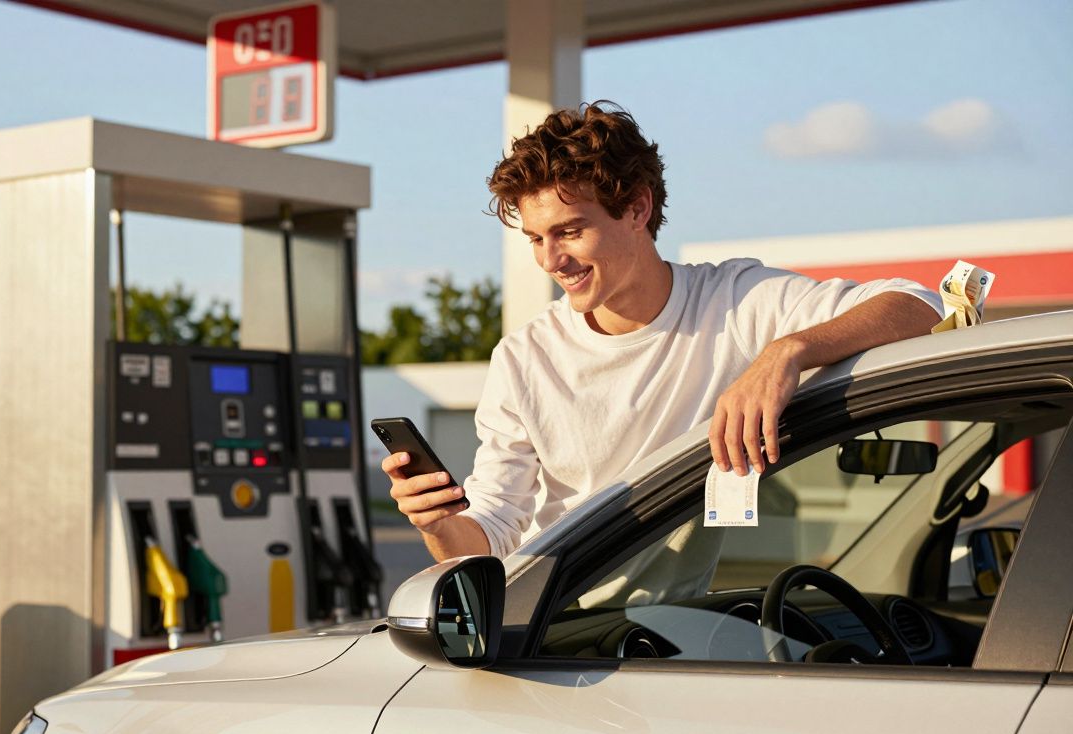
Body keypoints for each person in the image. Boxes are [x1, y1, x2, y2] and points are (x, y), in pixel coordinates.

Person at [383, 101, 944, 563]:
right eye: (535, 238)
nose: (551, 260)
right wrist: (436, 522)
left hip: (695, 624)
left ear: (636, 207)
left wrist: (787, 352)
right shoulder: (526, 359)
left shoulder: (736, 302)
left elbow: (926, 306)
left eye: (570, 231)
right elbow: (491, 534)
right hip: (557, 626)